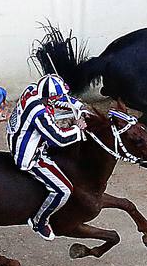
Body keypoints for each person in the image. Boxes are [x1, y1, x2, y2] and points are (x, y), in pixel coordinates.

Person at [6, 73, 87, 241]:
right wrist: (78, 129)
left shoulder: (31, 90)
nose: (57, 99)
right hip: (28, 155)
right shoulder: (40, 113)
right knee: (63, 190)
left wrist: (78, 105)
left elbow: (56, 100)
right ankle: (38, 221)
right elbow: (59, 138)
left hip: (16, 136)